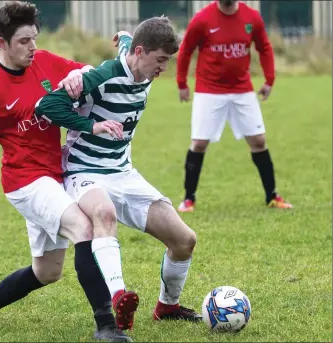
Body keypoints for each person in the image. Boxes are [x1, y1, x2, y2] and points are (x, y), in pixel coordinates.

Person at [0, 2, 133, 341]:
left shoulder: (46, 61)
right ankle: (107, 326)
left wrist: (81, 72)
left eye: (34, 38)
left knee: (47, 271)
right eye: (23, 41)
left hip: (55, 174)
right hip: (25, 182)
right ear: (2, 43)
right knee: (84, 227)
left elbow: (87, 70)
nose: (32, 47)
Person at [35, 16, 202, 330]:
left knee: (184, 240)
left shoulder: (143, 67)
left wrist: (124, 35)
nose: (163, 68)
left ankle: (168, 307)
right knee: (105, 214)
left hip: (123, 173)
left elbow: (129, 44)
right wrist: (91, 125)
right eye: (160, 60)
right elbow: (46, 106)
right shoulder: (101, 78)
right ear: (141, 52)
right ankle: (118, 297)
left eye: (167, 61)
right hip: (85, 171)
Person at [176, 0, 292, 212]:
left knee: (259, 141)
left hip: (242, 90)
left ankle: (272, 196)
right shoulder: (202, 19)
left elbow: (264, 47)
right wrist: (182, 83)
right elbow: (186, 50)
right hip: (208, 90)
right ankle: (188, 199)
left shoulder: (252, 17)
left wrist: (269, 79)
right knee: (199, 143)